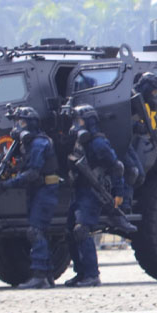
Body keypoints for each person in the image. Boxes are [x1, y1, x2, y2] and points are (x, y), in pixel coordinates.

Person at [64, 104, 135, 288]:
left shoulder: (98, 143)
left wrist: (119, 193)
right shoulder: (82, 142)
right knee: (70, 232)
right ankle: (80, 273)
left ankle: (92, 274)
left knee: (82, 230)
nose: (76, 125)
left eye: (78, 121)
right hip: (80, 189)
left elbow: (116, 167)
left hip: (92, 191)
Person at [0, 107, 61, 290]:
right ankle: (46, 275)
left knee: (35, 231)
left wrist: (7, 185)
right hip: (39, 190)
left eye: (21, 122)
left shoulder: (39, 143)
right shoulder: (29, 144)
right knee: (39, 231)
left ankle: (40, 275)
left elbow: (32, 173)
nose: (18, 126)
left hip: (45, 190)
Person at [121, 72, 157, 212]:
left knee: (138, 174)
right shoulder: (128, 97)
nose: (155, 95)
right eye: (154, 91)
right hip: (118, 141)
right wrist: (137, 127)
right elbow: (120, 121)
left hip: (125, 140)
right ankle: (123, 205)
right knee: (133, 172)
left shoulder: (136, 99)